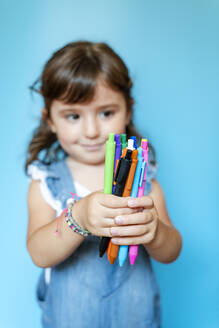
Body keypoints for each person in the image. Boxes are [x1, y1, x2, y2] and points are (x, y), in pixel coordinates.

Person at [25, 40, 182, 328]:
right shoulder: (46, 182)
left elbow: (172, 251)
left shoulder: (144, 181)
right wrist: (77, 217)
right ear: (50, 120)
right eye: (73, 116)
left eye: (106, 113)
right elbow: (39, 252)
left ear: (128, 111)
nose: (92, 131)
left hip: (137, 318)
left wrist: (155, 231)